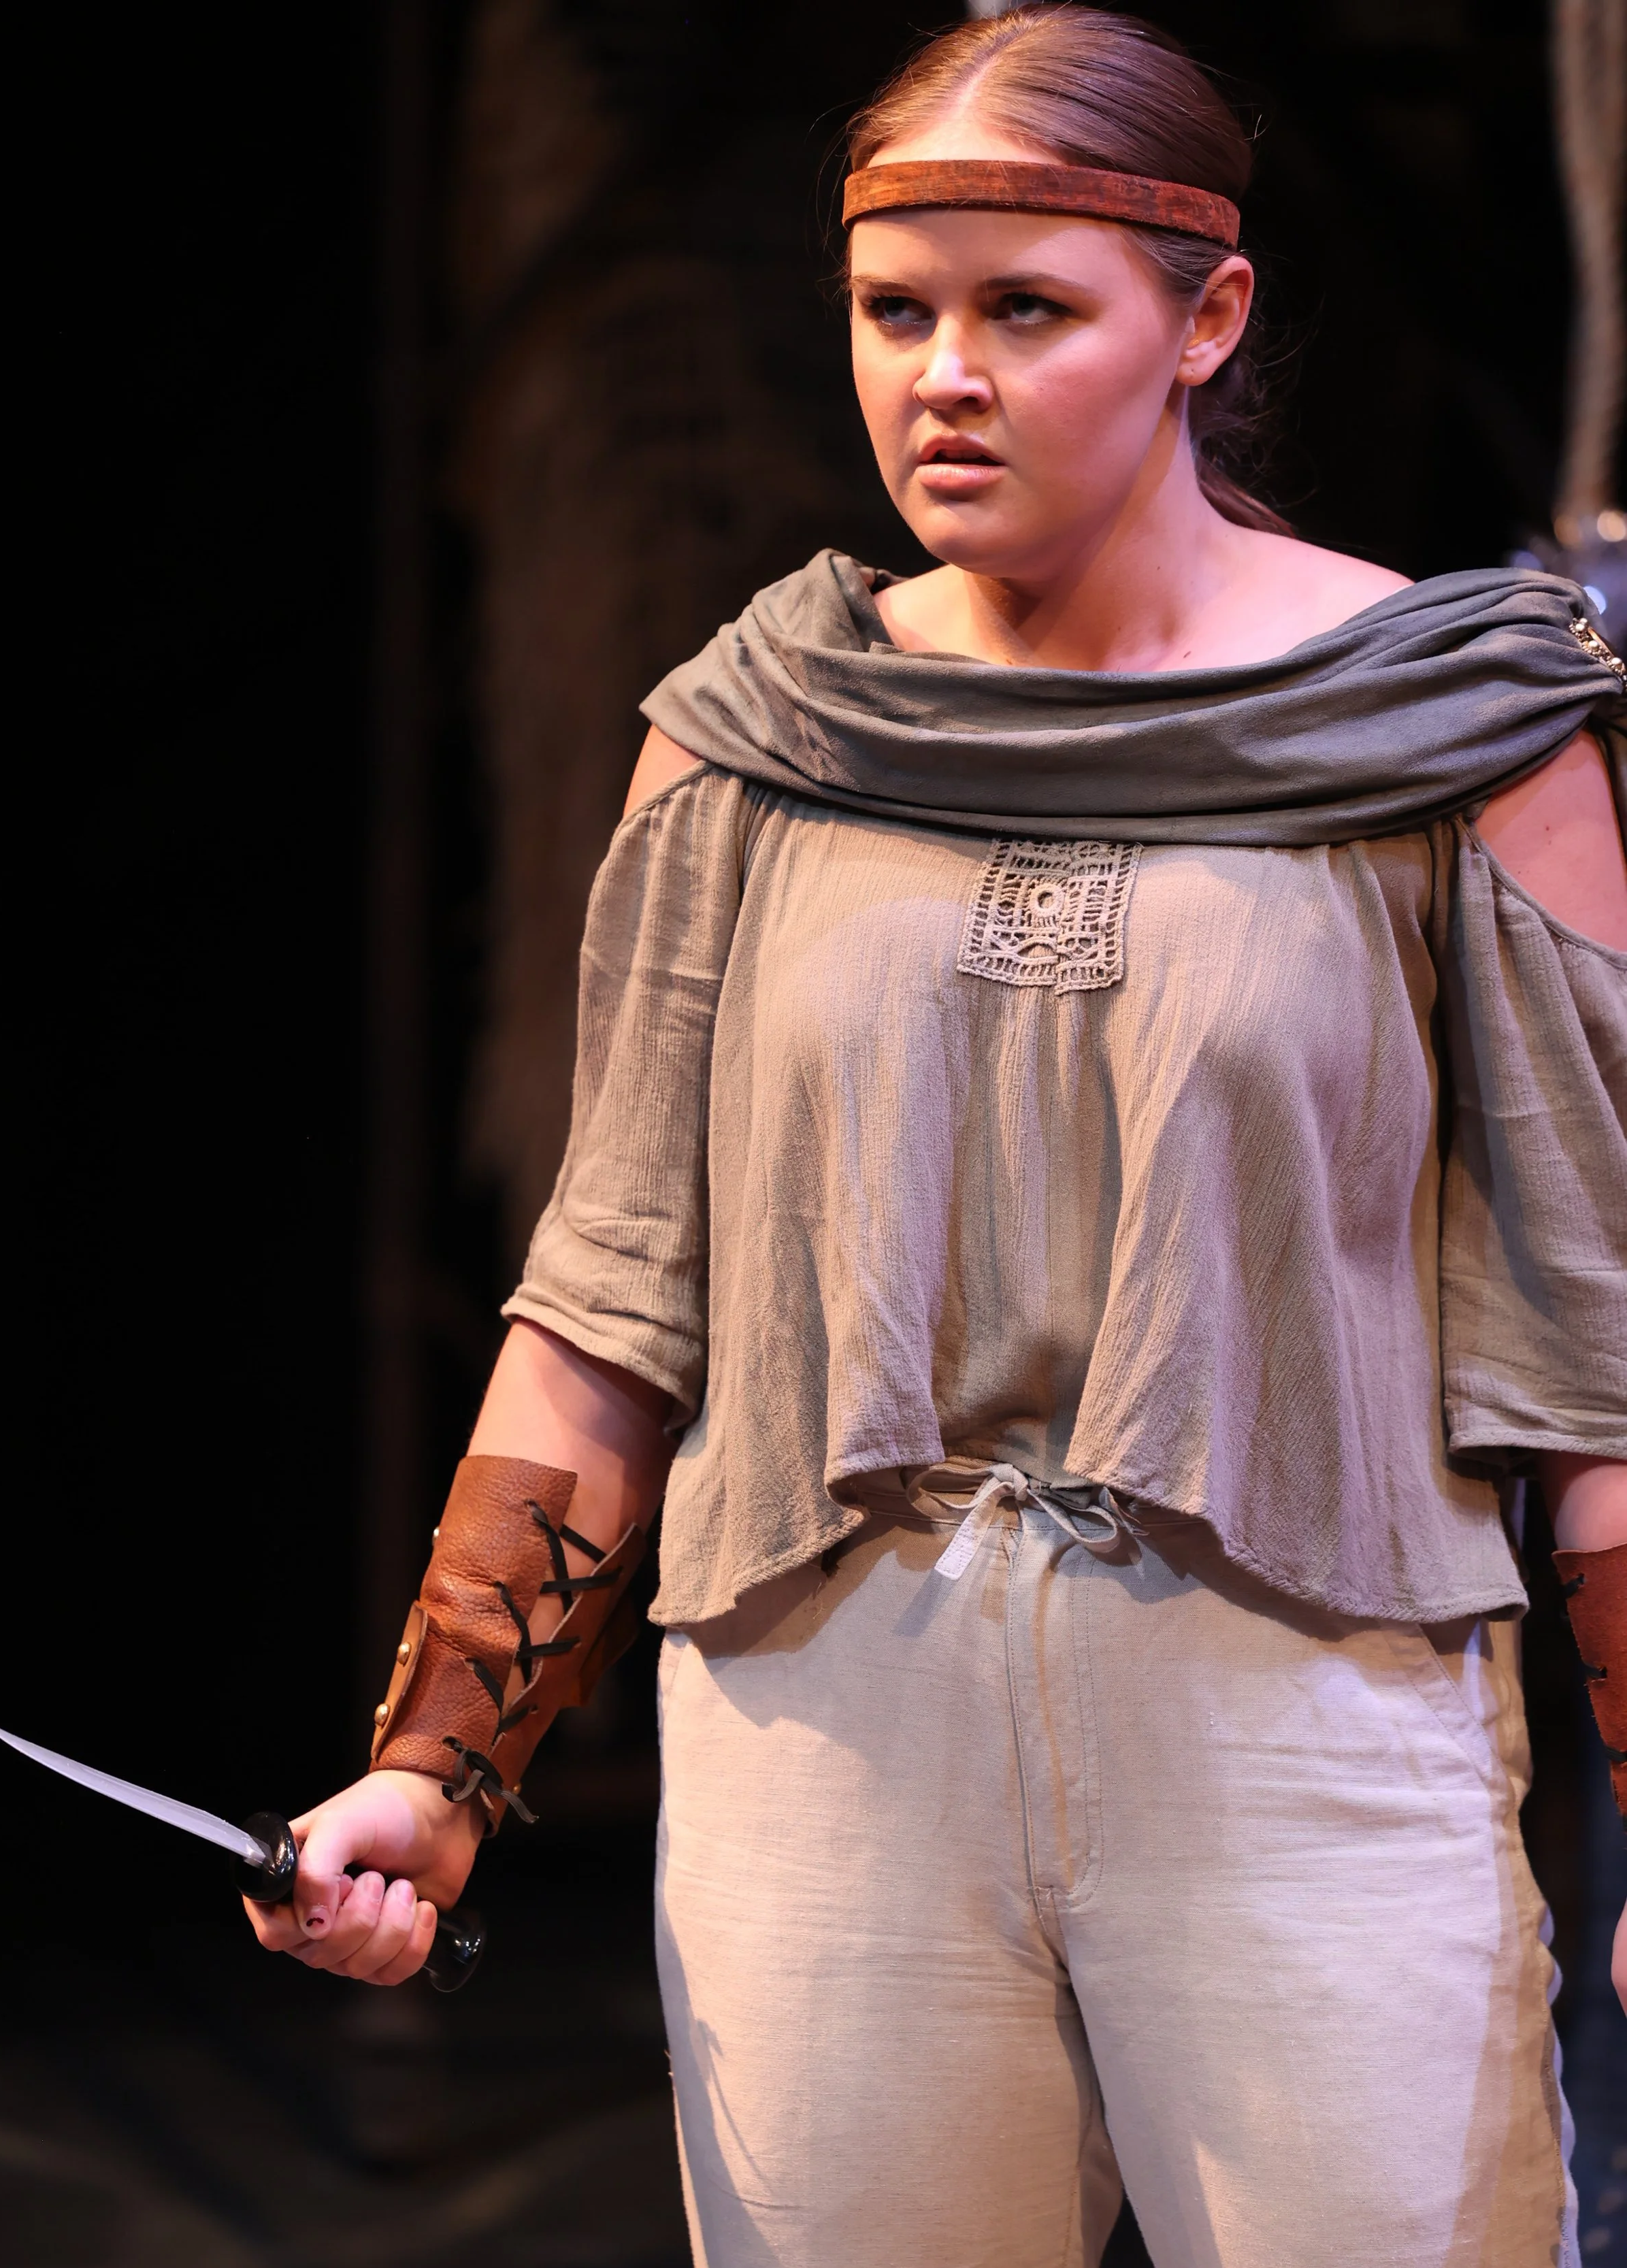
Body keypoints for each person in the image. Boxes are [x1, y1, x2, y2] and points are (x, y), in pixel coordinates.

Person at [246, 10, 1627, 2262]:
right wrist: (438, 1757)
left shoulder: (1445, 732)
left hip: (1301, 1720)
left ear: (1207, 318)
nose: (940, 376)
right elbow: (608, 1303)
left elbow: (1600, 1332)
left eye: (1021, 309)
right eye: (896, 310)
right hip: (828, 1723)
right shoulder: (753, 739)